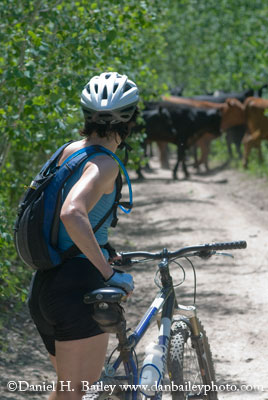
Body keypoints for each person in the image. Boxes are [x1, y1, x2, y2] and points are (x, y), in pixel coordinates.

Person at [27, 72, 139, 400]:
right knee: (79, 395)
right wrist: (108, 273)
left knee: (65, 394)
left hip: (45, 285)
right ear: (131, 119)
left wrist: (105, 247)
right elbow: (72, 213)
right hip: (77, 291)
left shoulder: (70, 151)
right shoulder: (106, 165)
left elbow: (64, 218)